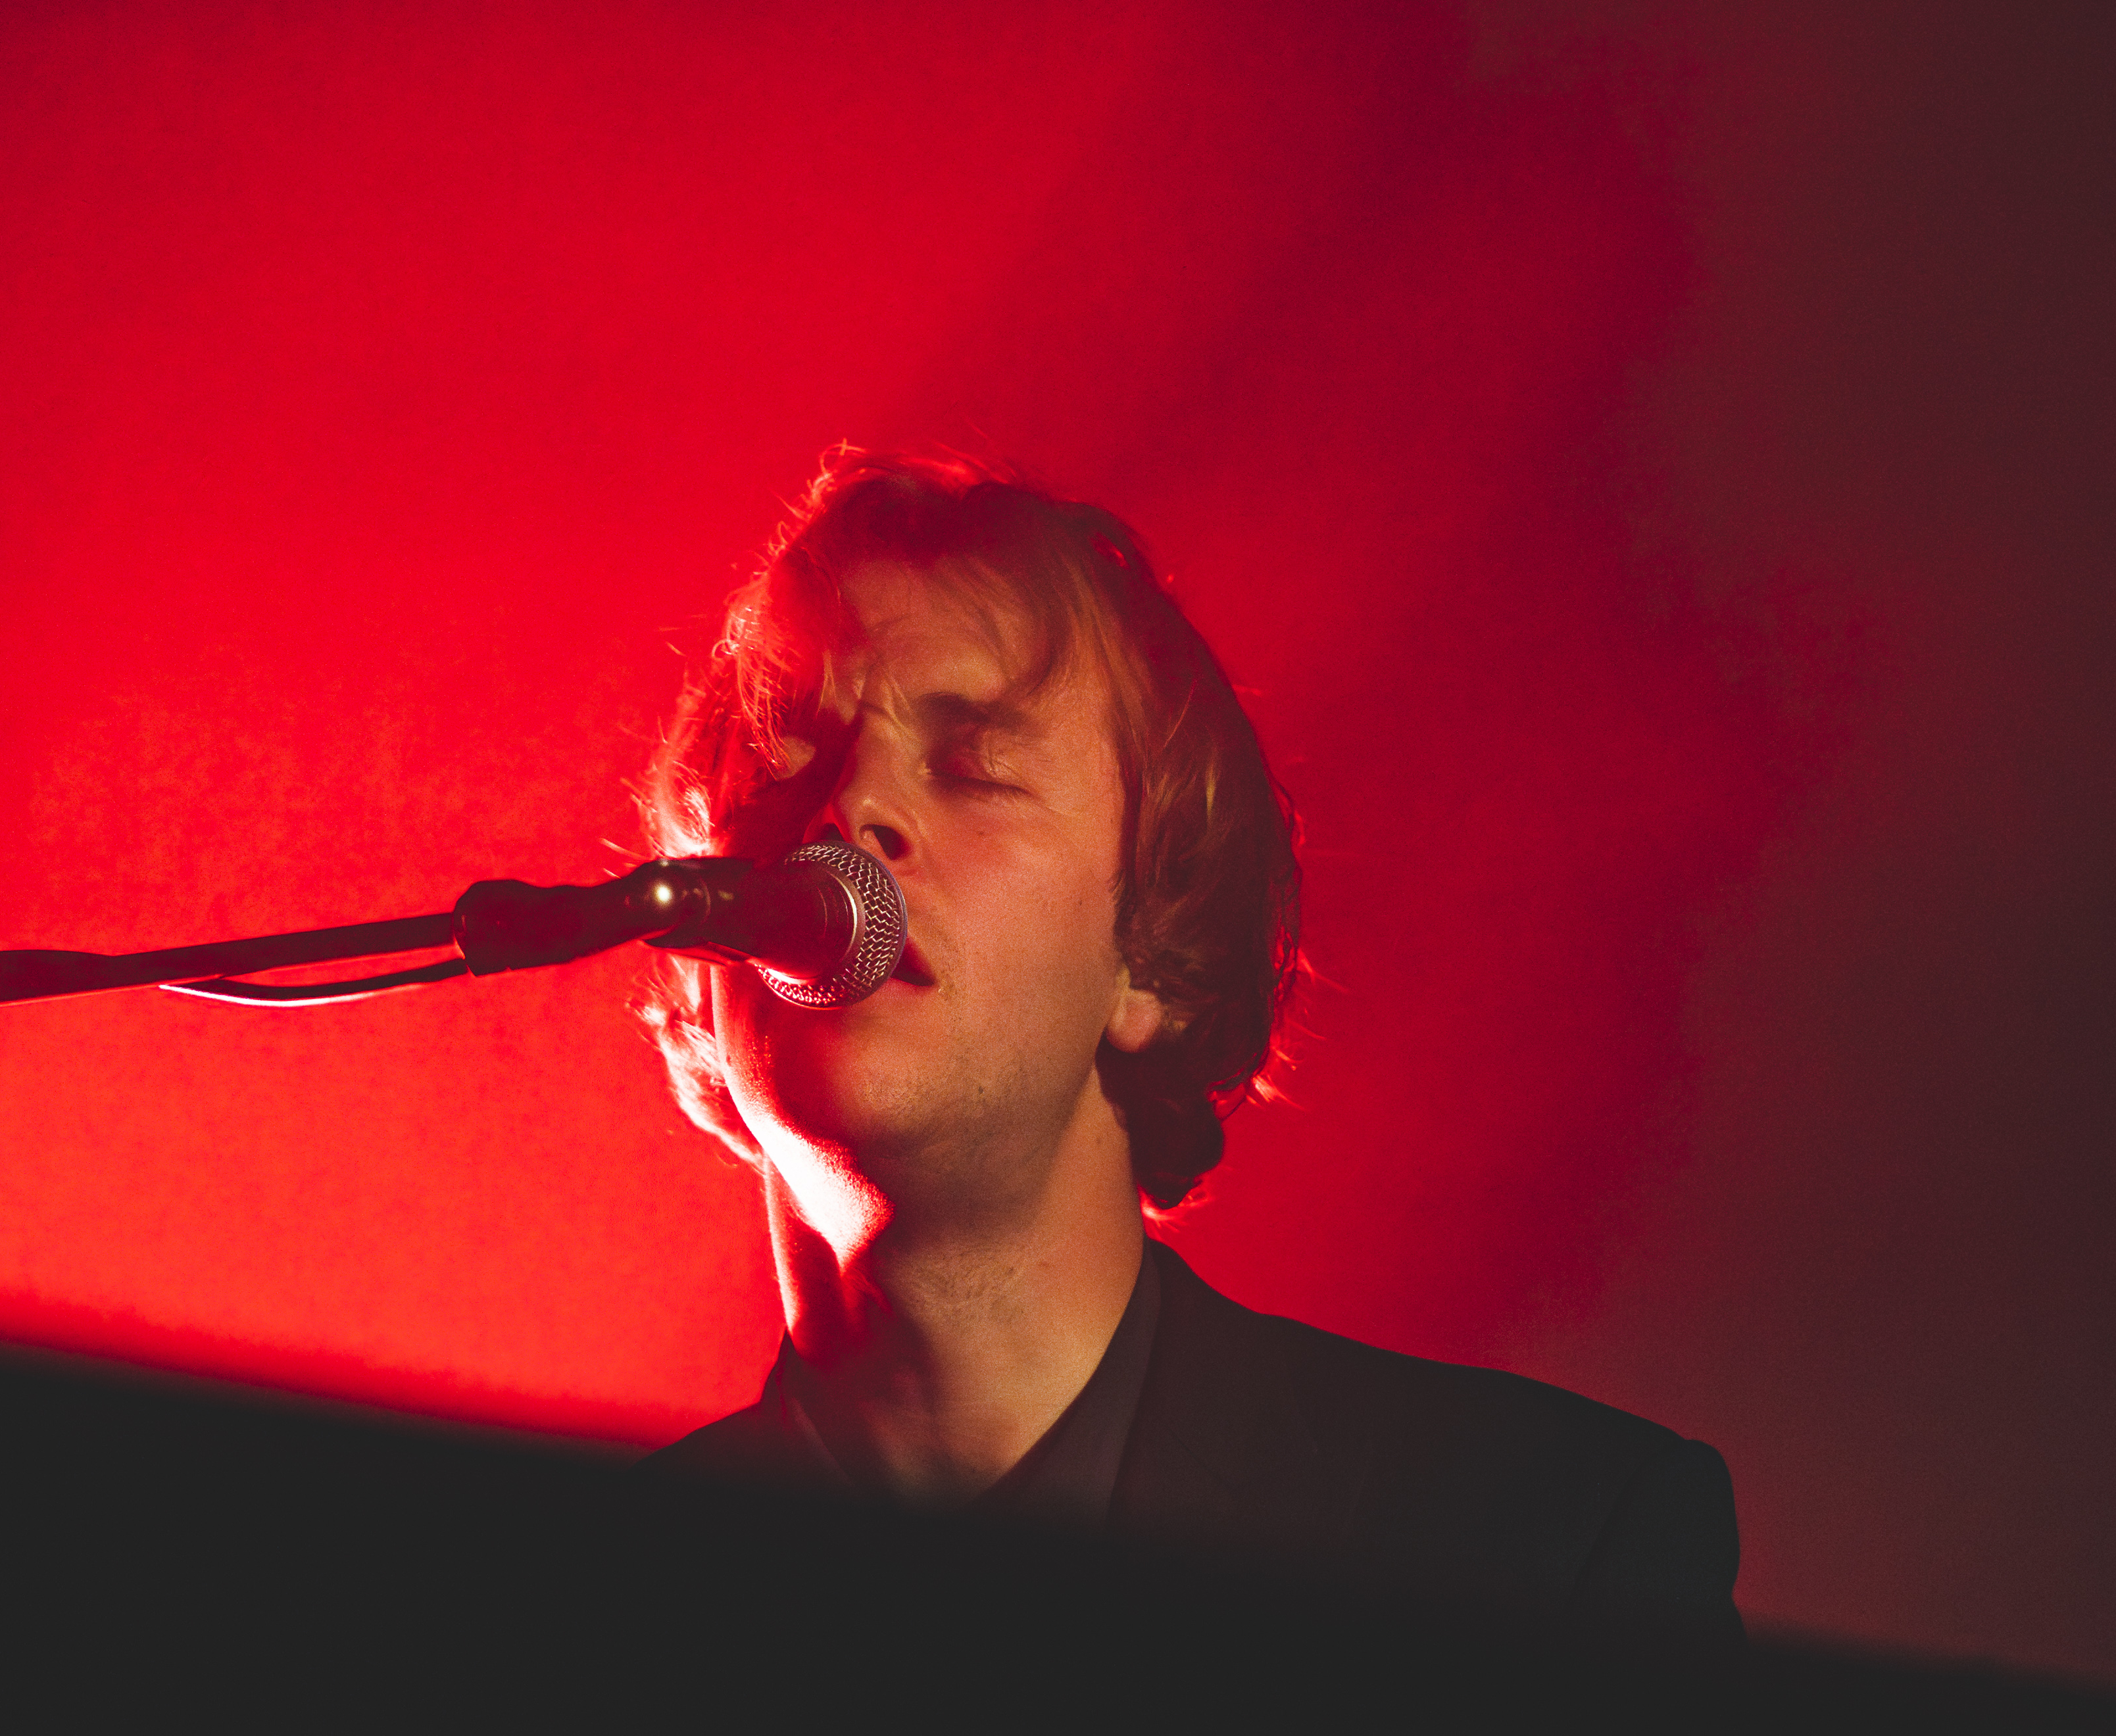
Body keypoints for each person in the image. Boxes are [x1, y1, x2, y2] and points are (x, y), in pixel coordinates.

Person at [635, 448, 1741, 1647]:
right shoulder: (548, 1621)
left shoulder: (1542, 1549)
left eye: (976, 766)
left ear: (1151, 960)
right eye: (787, 753)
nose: (846, 812)